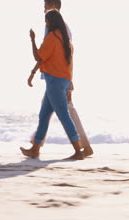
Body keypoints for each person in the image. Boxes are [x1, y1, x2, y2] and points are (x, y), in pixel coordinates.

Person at [27, 0, 94, 157]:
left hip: (54, 80)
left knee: (65, 115)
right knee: (44, 115)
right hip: (61, 79)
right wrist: (69, 82)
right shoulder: (65, 35)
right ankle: (35, 148)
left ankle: (79, 149)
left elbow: (41, 56)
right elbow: (67, 60)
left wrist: (32, 40)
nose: (43, 6)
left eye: (45, 3)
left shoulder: (52, 33)